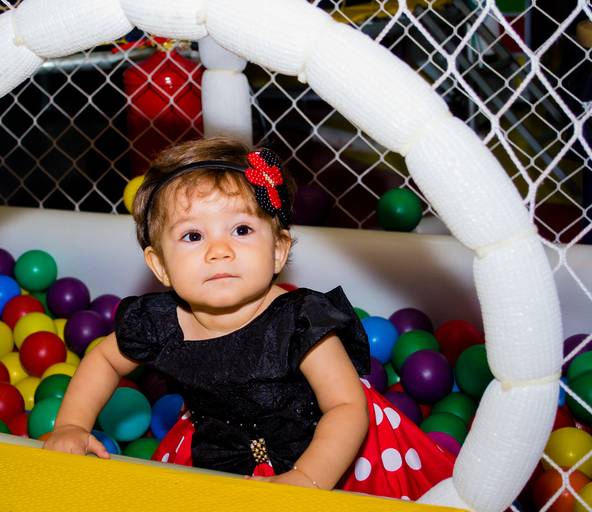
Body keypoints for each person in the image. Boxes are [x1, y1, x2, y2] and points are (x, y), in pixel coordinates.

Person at [44, 137, 454, 499]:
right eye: (192, 236)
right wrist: (72, 425)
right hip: (220, 446)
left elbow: (346, 407)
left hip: (329, 451)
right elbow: (103, 358)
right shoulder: (158, 323)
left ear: (278, 250)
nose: (219, 250)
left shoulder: (298, 321)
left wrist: (307, 479)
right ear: (160, 266)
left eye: (241, 230)